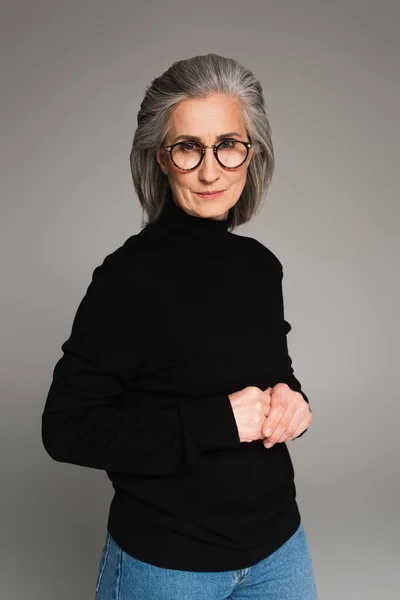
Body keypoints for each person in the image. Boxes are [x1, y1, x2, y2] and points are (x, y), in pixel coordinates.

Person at [41, 53, 317, 599]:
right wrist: (214, 422)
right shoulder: (128, 277)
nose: (210, 170)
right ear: (161, 160)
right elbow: (66, 428)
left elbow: (271, 372)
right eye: (189, 147)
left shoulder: (260, 267)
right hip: (167, 564)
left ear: (250, 154)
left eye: (227, 146)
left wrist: (294, 403)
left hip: (279, 552)